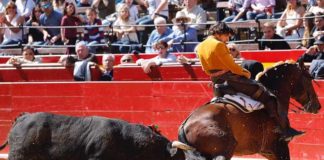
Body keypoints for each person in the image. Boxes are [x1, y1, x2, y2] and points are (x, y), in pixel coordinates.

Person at [196, 22, 303, 141]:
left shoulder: (201, 46)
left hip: (216, 83)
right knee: (267, 94)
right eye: (227, 36)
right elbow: (232, 66)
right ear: (220, 33)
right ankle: (283, 129)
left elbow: (204, 69)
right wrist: (246, 73)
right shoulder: (219, 45)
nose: (227, 40)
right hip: (231, 80)